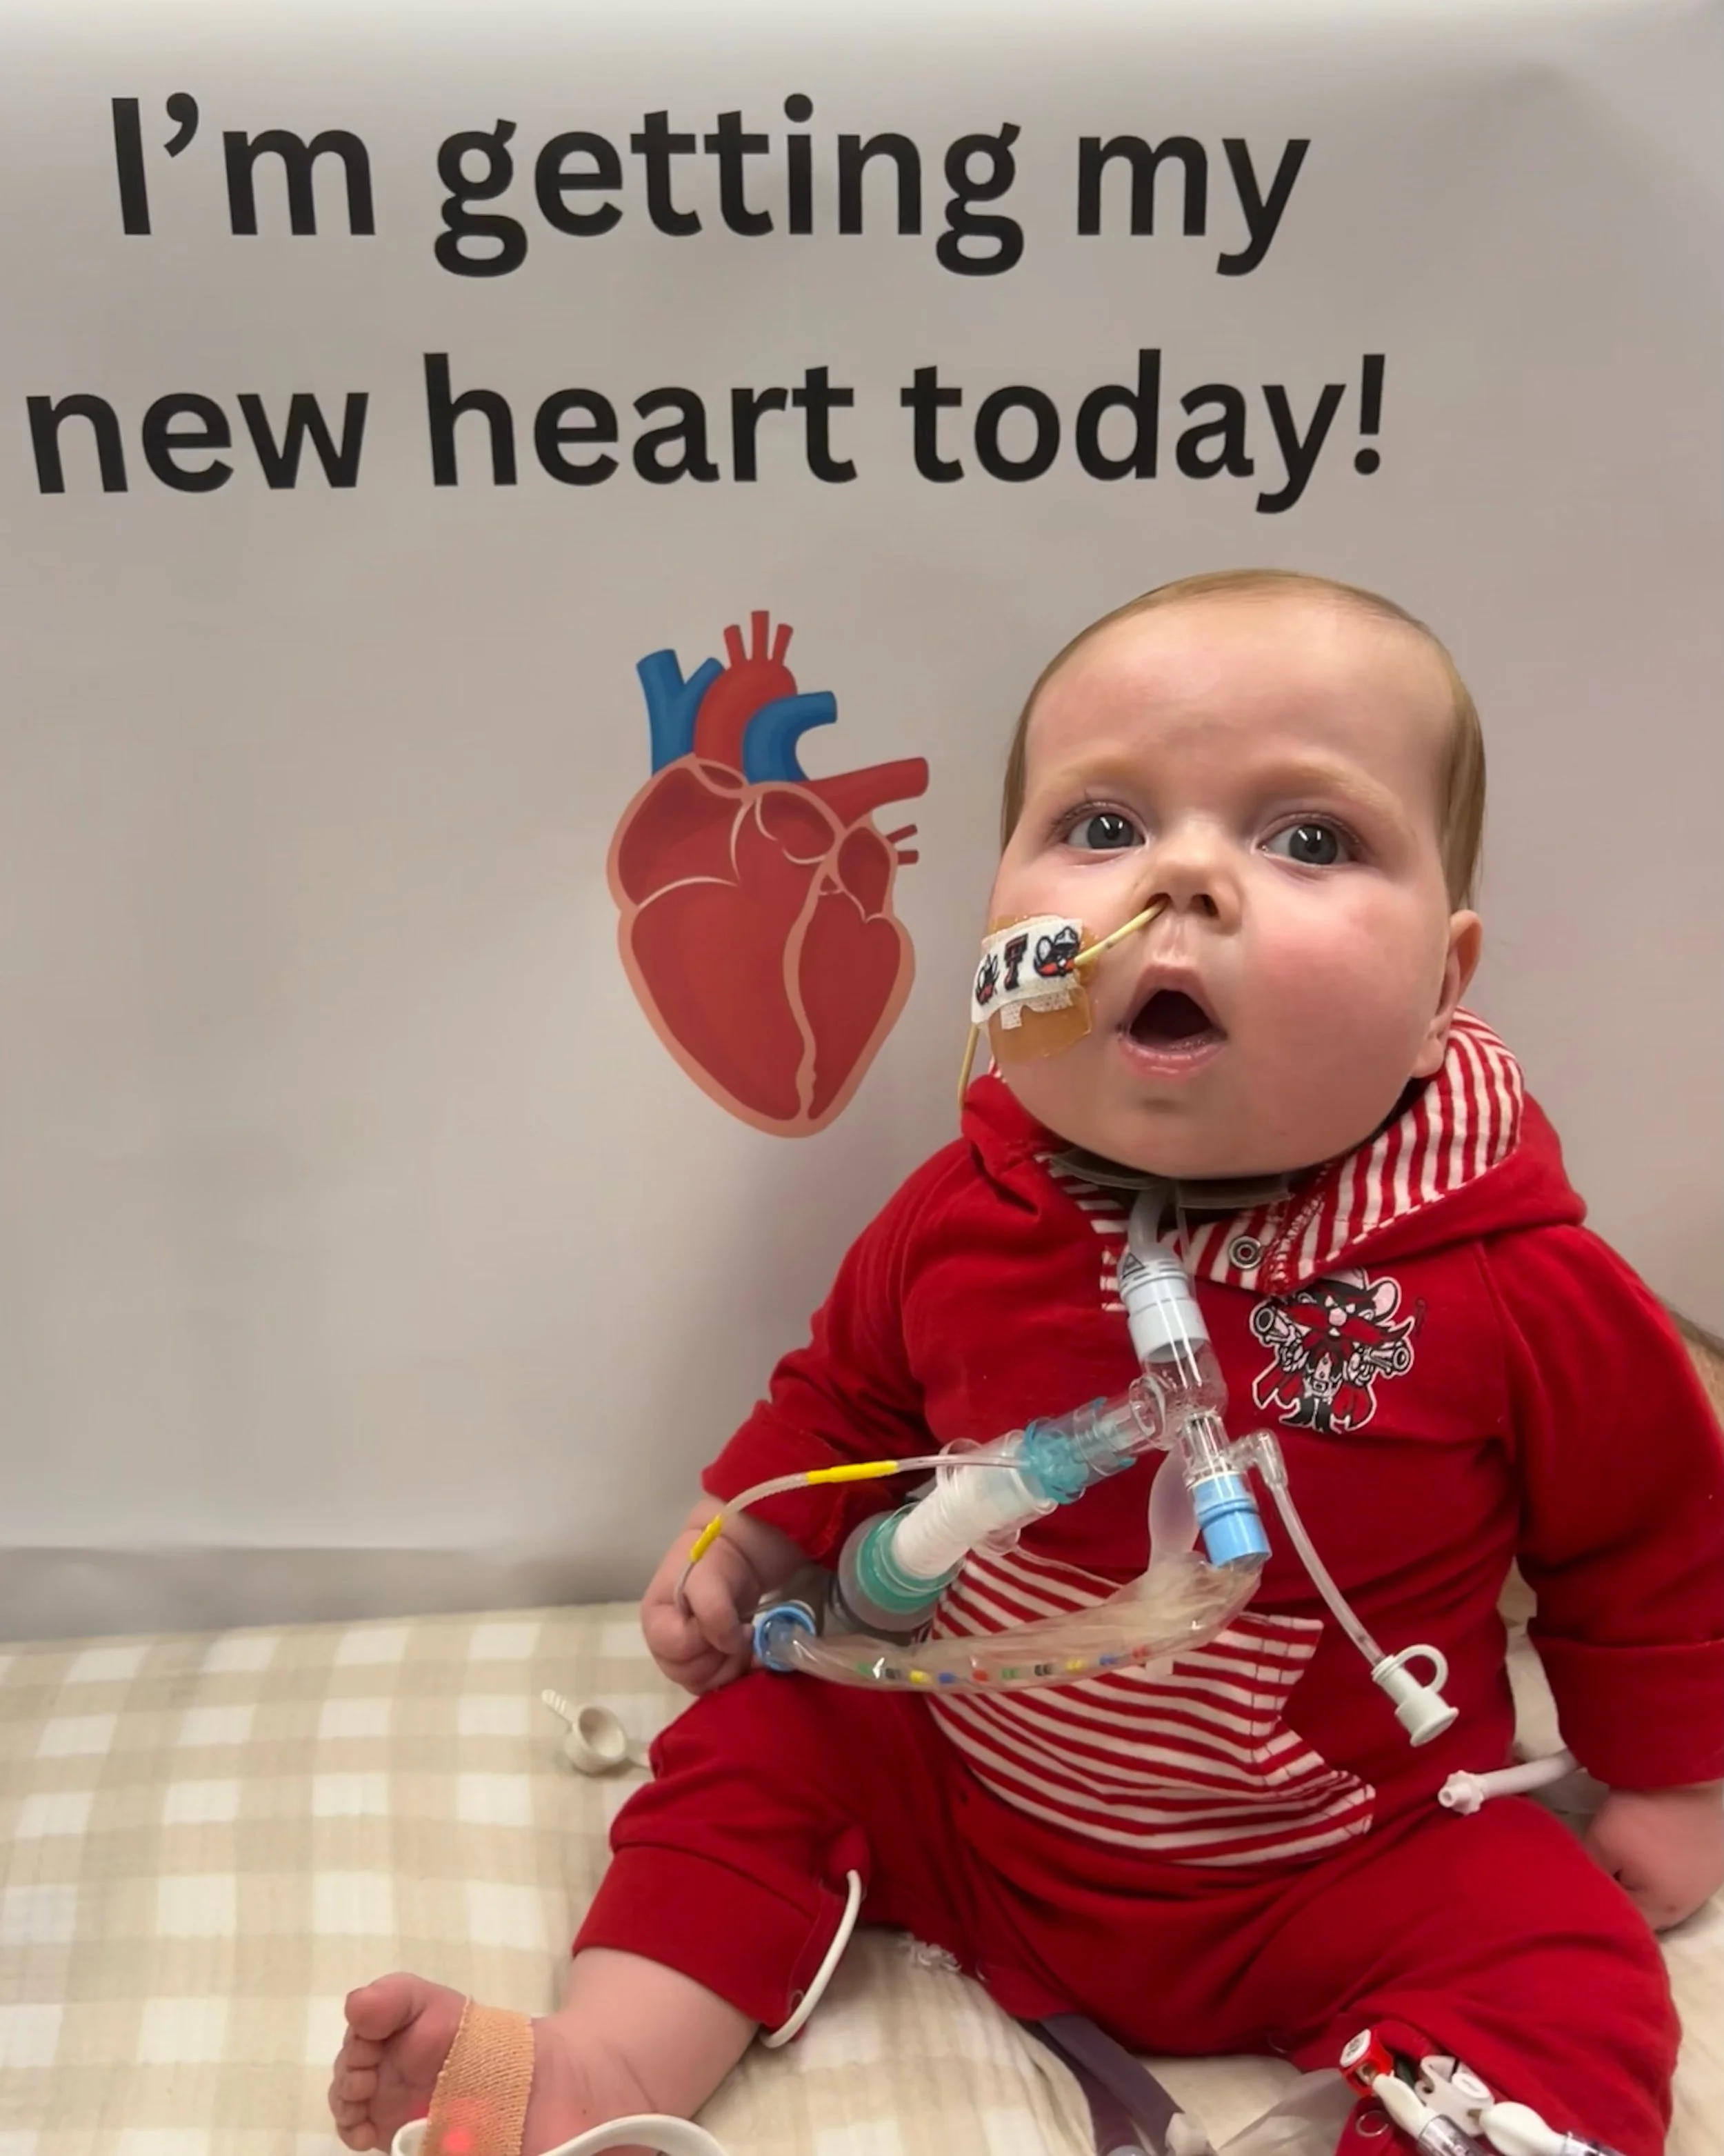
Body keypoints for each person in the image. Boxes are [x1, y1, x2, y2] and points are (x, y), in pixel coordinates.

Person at [330, 570, 1723, 2156]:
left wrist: (1667, 1778)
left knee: (1562, 1963)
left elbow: (1652, 1540)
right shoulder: (964, 1209)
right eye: (1104, 826)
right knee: (750, 1737)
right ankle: (603, 2058)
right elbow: (848, 1397)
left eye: (1309, 838)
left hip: (1349, 1850)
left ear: (1438, 991)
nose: (1183, 878)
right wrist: (752, 1530)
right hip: (976, 1785)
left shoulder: (1512, 1279)